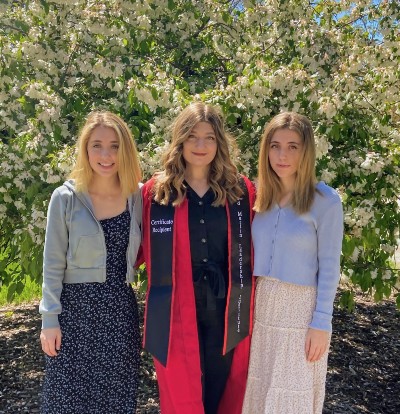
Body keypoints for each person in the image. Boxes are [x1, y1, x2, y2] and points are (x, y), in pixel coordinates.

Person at [139, 102, 256, 414]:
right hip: (177, 308)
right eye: (192, 137)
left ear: (220, 143)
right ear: (180, 141)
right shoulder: (158, 192)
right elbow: (130, 244)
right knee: (182, 389)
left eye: (209, 138)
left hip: (228, 304)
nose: (201, 146)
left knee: (223, 384)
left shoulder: (240, 190)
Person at [39, 111, 142, 413]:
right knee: (65, 402)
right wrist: (49, 320)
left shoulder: (136, 196)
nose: (106, 155)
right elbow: (52, 264)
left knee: (115, 402)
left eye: (114, 145)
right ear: (85, 149)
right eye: (97, 145)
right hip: (73, 316)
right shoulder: (66, 198)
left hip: (119, 313)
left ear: (125, 150)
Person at [242, 112, 343, 413]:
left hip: (301, 313)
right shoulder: (260, 199)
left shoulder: (326, 202)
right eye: (275, 146)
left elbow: (329, 268)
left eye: (292, 146)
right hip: (262, 309)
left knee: (290, 399)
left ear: (306, 151)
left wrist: (321, 322)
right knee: (259, 393)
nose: (282, 155)